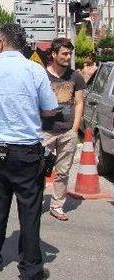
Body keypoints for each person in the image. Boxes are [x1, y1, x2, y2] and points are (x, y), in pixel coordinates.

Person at [0, 23, 58, 280]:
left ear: (2, 43)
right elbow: (50, 110)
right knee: (29, 211)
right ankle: (31, 272)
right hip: (26, 152)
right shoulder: (34, 70)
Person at [42, 38, 86, 221]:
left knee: (62, 171)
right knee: (38, 170)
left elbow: (79, 103)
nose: (68, 57)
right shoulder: (42, 75)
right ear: (54, 54)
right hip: (44, 132)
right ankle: (34, 203)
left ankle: (57, 205)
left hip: (67, 132)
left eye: (70, 53)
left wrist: (75, 129)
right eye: (64, 53)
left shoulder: (75, 76)